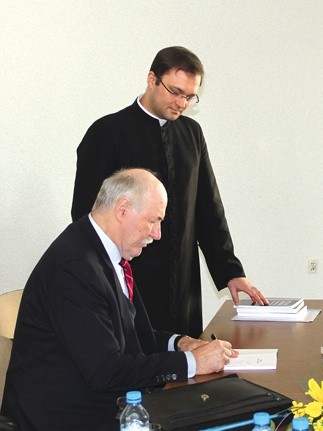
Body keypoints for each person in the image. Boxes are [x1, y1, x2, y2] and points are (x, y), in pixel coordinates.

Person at [1, 169, 238, 431]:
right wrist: (192, 363)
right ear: (123, 209)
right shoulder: (74, 268)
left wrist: (180, 344)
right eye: (153, 221)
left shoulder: (103, 252)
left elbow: (130, 334)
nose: (157, 234)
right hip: (65, 418)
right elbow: (106, 371)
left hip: (98, 403)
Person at [71, 46, 267, 338]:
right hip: (130, 280)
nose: (182, 103)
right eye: (175, 92)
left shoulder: (192, 134)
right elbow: (86, 216)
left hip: (183, 284)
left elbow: (208, 209)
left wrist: (231, 272)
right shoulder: (107, 132)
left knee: (187, 362)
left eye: (189, 96)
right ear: (152, 79)